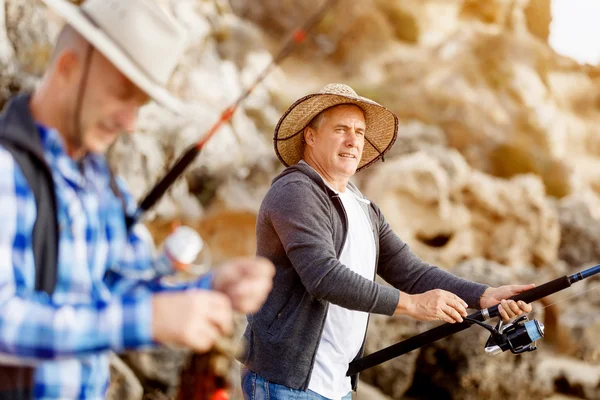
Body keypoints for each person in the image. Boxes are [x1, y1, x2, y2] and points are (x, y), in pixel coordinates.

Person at [0, 0, 274, 398]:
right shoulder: (5, 171)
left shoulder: (106, 187)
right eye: (122, 94)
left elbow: (122, 292)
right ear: (67, 68)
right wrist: (145, 320)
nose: (130, 122)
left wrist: (207, 289)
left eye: (141, 104)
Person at [240, 83, 533, 400]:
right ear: (310, 136)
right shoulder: (296, 191)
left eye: (359, 131)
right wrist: (412, 305)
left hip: (336, 385)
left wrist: (485, 296)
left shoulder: (363, 207)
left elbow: (412, 273)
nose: (353, 140)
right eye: (341, 129)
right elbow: (323, 277)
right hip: (286, 384)